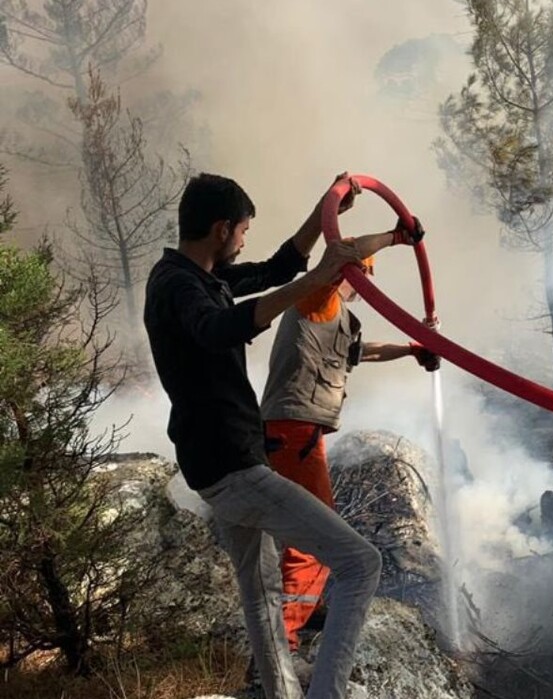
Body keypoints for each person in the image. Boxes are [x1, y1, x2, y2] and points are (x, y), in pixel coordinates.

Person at [144, 172, 394, 699]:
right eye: (242, 232)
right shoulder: (177, 285)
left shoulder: (202, 275)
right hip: (232, 465)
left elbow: (279, 266)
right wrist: (316, 277)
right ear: (220, 229)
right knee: (360, 563)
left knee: (260, 589)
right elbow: (220, 329)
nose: (243, 242)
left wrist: (325, 212)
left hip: (218, 462)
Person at [259, 217, 438, 654]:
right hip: (293, 428)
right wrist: (398, 237)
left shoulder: (335, 316)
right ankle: (283, 642)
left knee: (317, 526)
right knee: (316, 537)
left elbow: (363, 351)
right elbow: (347, 250)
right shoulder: (318, 297)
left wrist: (414, 350)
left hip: (299, 430)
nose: (364, 284)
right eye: (363, 275)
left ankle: (306, 609)